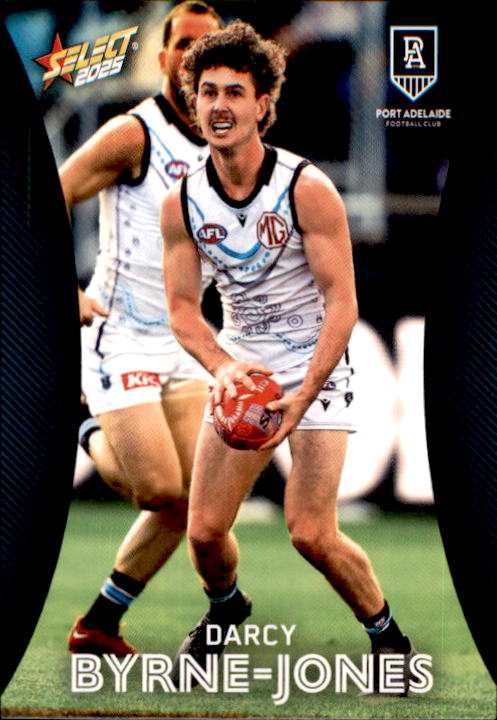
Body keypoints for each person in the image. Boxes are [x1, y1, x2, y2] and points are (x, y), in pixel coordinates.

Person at [161, 20, 416, 694]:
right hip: (244, 368)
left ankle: (389, 640)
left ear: (263, 104)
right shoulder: (181, 203)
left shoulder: (306, 188)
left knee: (309, 532)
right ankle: (226, 608)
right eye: (207, 91)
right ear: (192, 102)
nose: (219, 105)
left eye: (234, 93)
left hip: (315, 368)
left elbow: (342, 304)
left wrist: (302, 396)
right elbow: (182, 310)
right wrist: (223, 368)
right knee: (204, 534)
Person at [60, 0, 223, 656]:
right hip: (119, 334)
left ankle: (99, 624)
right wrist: (60, 289)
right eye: (182, 45)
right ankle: (84, 425)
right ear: (162, 58)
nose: (192, 57)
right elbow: (46, 193)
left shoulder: (229, 143)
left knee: (192, 503)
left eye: (206, 47)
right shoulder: (135, 134)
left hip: (181, 340)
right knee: (157, 488)